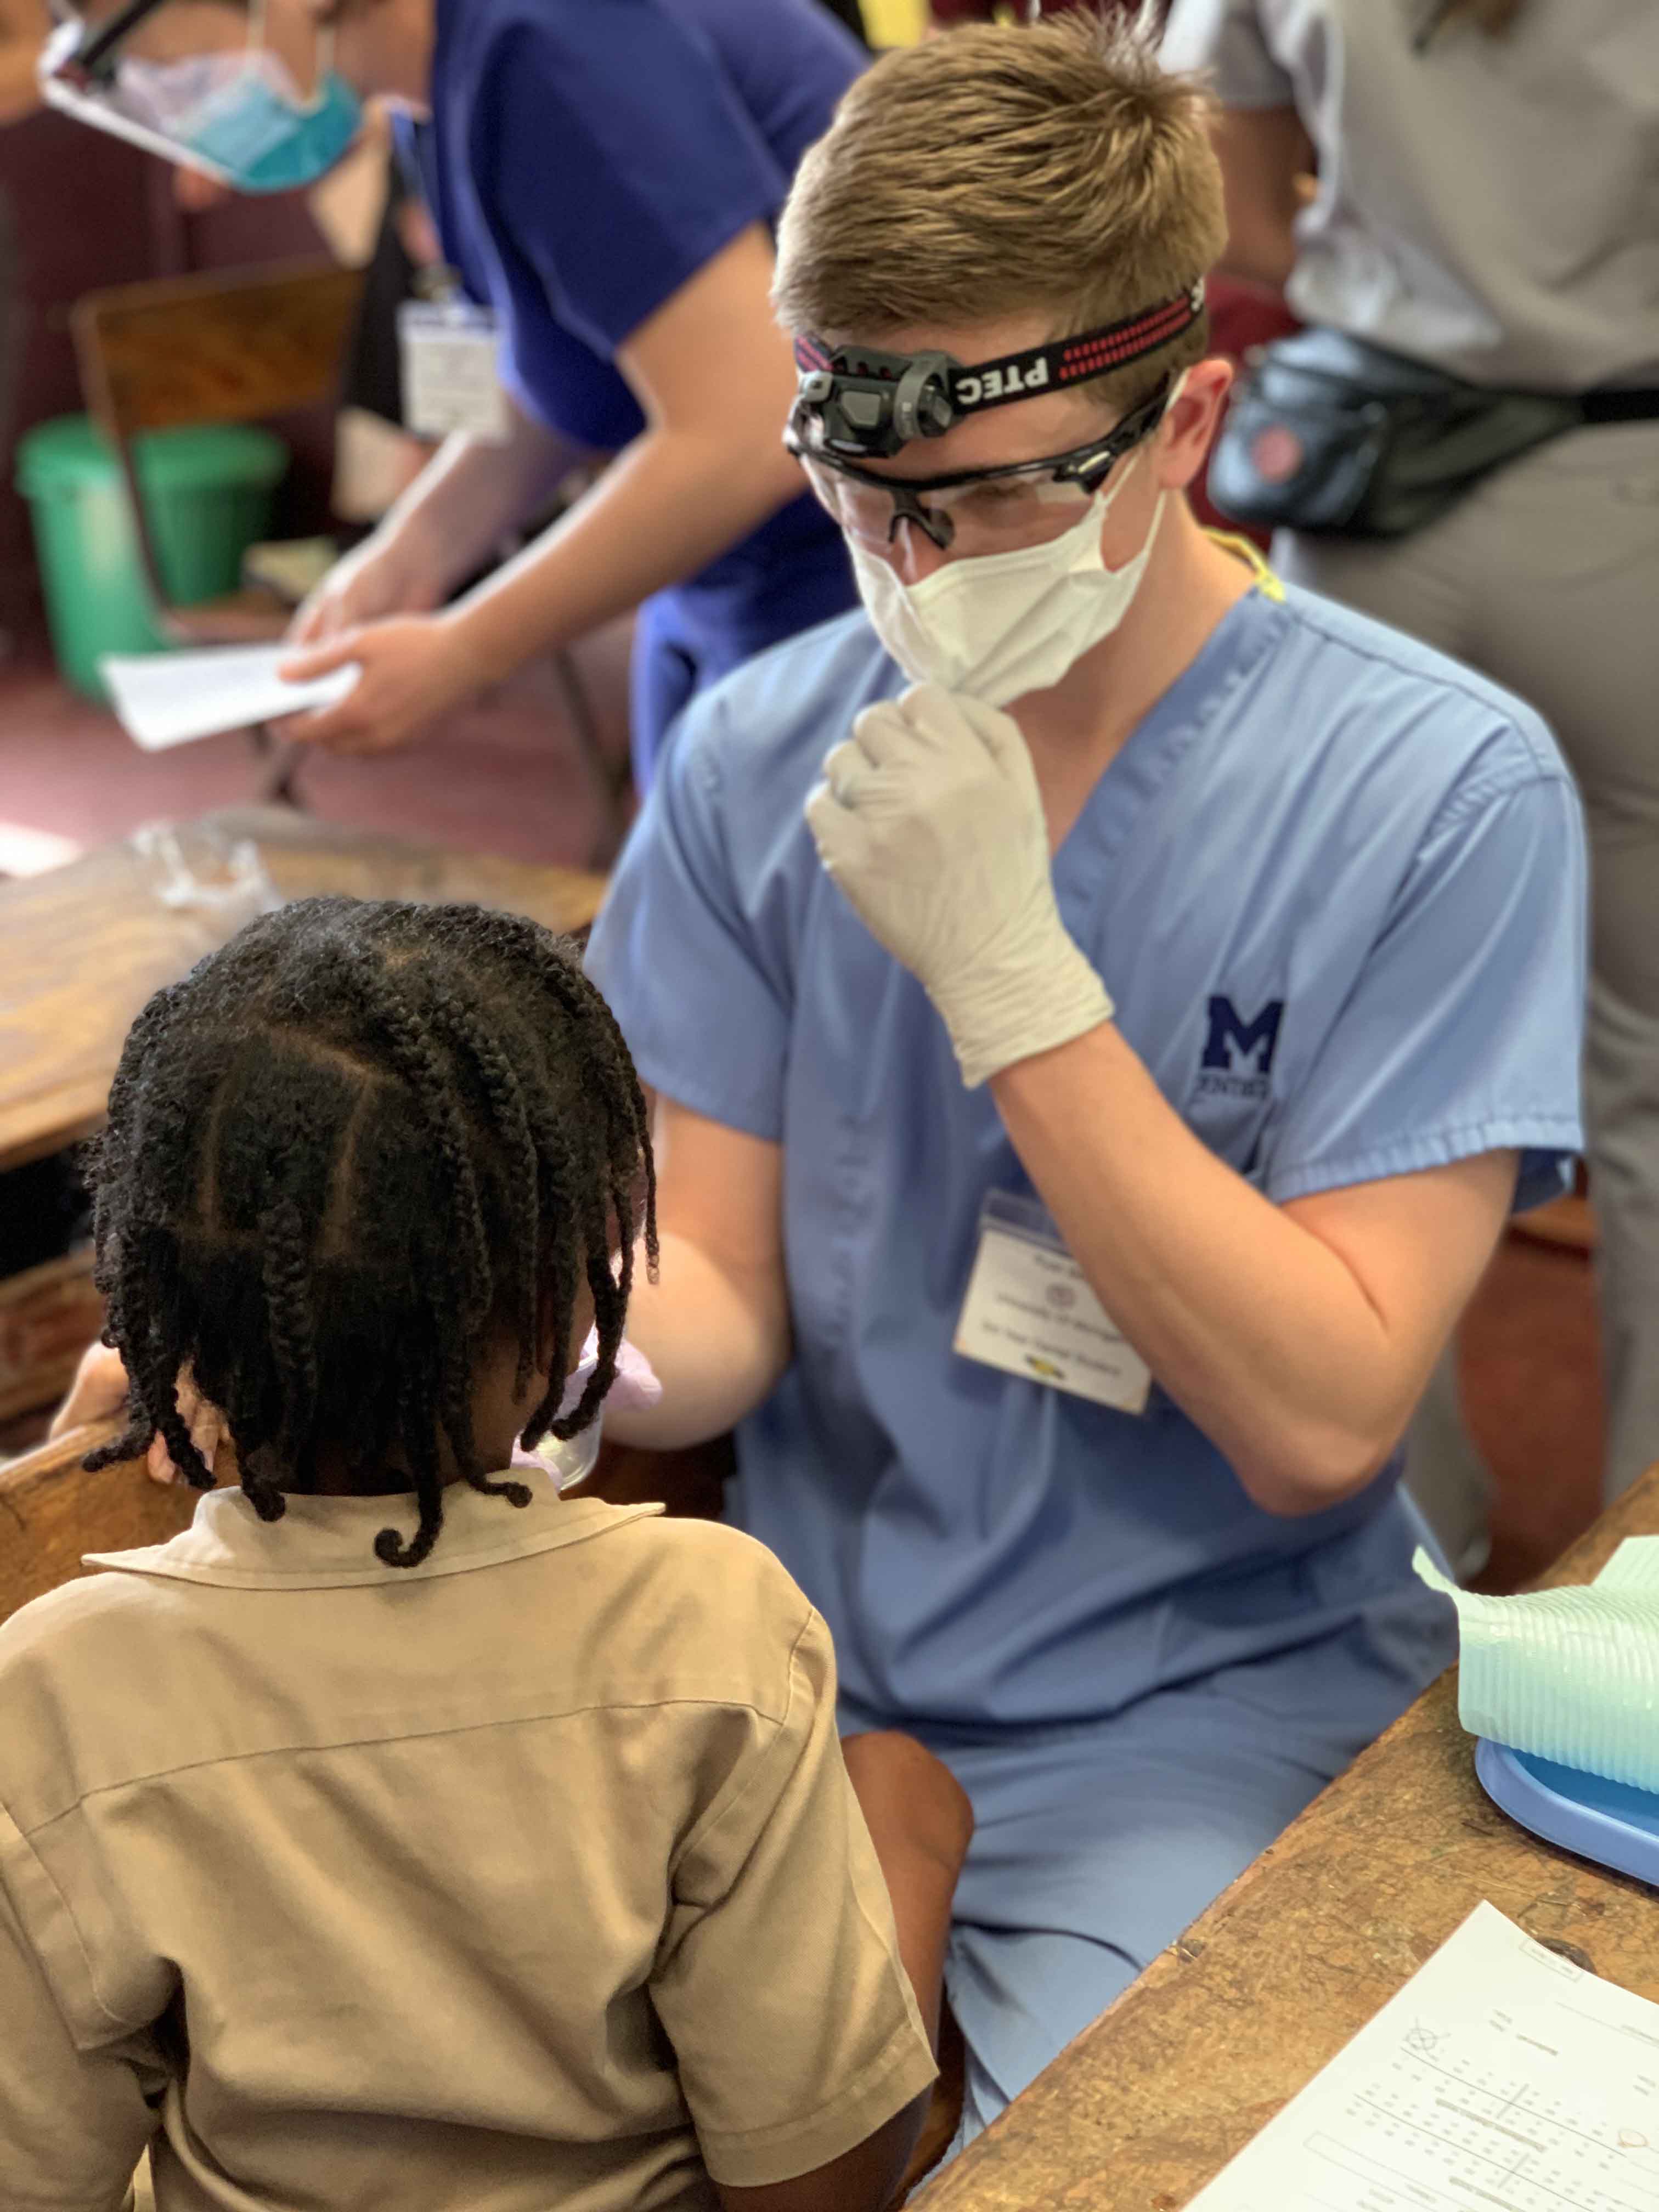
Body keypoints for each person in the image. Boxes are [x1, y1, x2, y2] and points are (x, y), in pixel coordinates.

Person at [571, 14, 1585, 2147]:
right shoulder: (764, 755)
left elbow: (1325, 1420)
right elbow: (724, 1318)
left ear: (1187, 417)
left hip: (1187, 1707)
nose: (917, 576)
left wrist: (1013, 977)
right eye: (865, 499)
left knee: (1111, 2173)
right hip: (787, 1671)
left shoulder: (1432, 791)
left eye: (987, 498)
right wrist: (544, 1348)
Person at [8, 898, 959, 2210]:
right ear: (575, 1297)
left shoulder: (53, 1692)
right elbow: (819, 2187)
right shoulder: (716, 1632)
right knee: (905, 1796)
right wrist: (912, 1864)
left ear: (155, 1309)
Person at [1161, 0, 1659, 1539]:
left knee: (1344, 1058)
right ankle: (1648, 1580)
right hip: (1622, 505)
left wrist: (1394, 280)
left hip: (1370, 506)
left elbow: (1215, 205)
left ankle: (1407, 1557)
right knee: (1649, 1082)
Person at [41, 0, 867, 791]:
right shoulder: (431, 92)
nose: (197, 120)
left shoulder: (553, 50)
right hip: (734, 580)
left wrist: (472, 649)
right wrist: (412, 552)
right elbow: (569, 376)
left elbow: (749, 426)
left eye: (185, 78)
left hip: (865, 577)